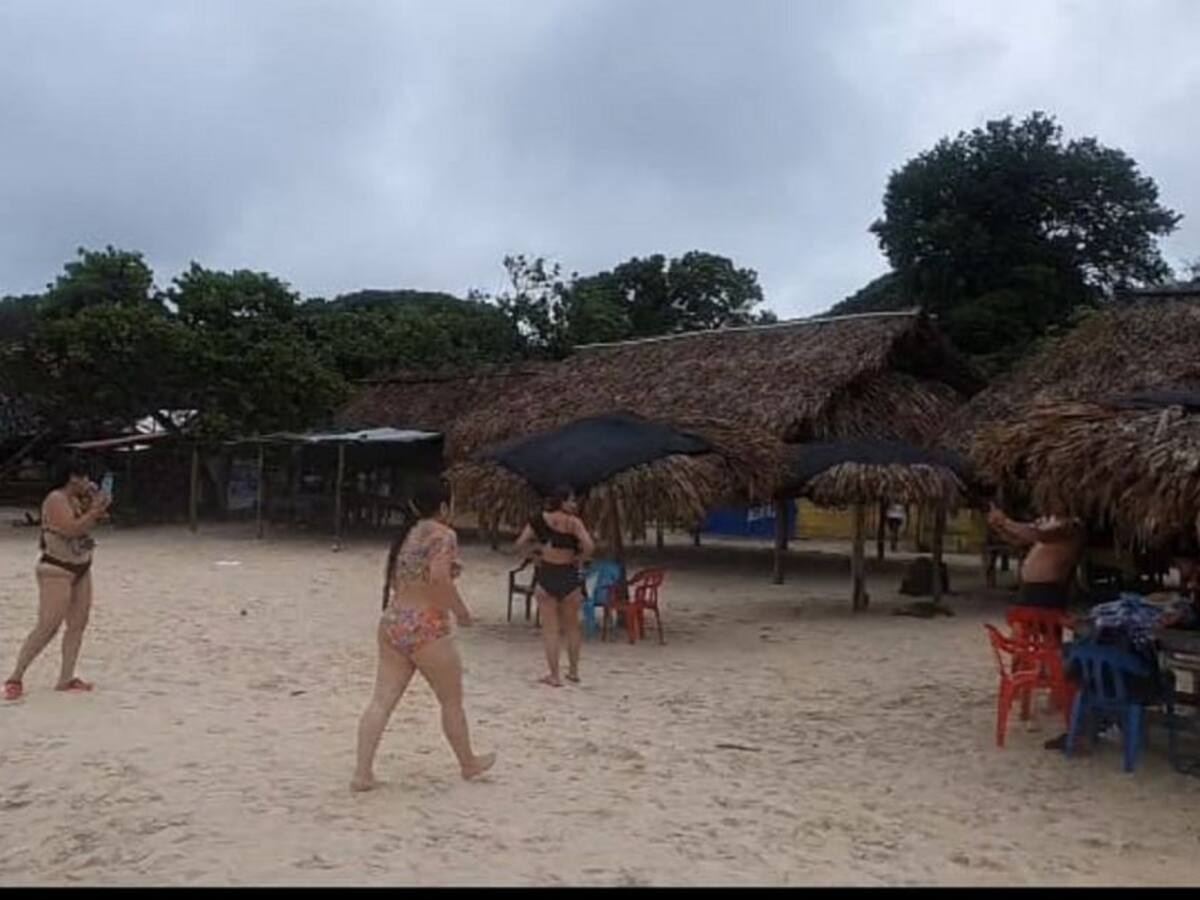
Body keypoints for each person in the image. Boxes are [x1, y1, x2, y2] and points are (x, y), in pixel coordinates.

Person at [351, 477, 494, 792]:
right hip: (427, 626)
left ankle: (362, 772)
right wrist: (463, 613)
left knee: (381, 701)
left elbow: (404, 577)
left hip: (393, 621)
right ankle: (468, 762)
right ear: (444, 506)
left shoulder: (407, 534)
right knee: (451, 700)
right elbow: (440, 579)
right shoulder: (444, 535)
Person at [4, 455, 111, 701]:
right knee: (48, 625)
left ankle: (66, 677)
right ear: (73, 477)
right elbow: (72, 528)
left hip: (81, 566)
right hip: (56, 569)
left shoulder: (78, 498)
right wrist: (94, 509)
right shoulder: (56, 499)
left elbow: (99, 519)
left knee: (78, 623)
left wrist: (98, 502)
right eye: (84, 477)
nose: (88, 481)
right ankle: (16, 676)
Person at [515, 485, 595, 688]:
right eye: (571, 500)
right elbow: (589, 546)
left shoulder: (538, 520)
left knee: (550, 629)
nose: (575, 504)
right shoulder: (574, 523)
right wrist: (579, 558)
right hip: (569, 574)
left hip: (546, 574)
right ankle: (574, 672)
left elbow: (520, 544)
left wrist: (534, 556)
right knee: (572, 627)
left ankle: (554, 675)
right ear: (562, 501)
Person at [986, 503, 1084, 609]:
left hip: (1048, 589)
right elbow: (1018, 540)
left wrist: (1005, 522)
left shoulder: (1072, 526)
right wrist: (999, 527)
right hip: (1030, 588)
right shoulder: (1047, 522)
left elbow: (1037, 534)